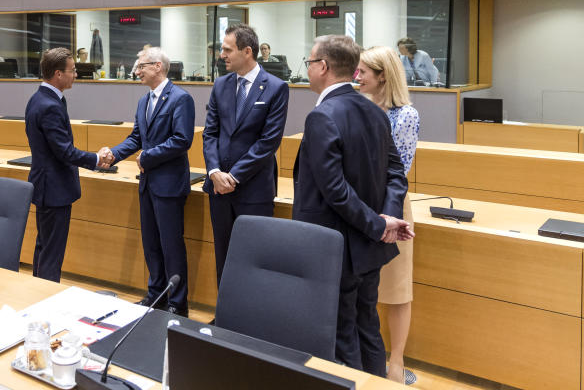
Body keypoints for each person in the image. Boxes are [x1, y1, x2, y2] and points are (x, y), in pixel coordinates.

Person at [293, 34, 412, 376]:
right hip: (369, 245)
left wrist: (380, 223)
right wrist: (386, 218)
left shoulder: (323, 116)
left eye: (310, 63)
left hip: (335, 246)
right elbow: (396, 174)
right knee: (367, 328)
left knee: (343, 336)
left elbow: (334, 190)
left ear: (324, 67)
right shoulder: (374, 111)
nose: (309, 69)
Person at [100, 46, 195, 316]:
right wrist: (114, 154)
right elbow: (136, 138)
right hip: (148, 183)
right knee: (151, 244)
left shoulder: (180, 99)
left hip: (169, 184)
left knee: (171, 245)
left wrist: (148, 156)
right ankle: (156, 296)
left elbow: (182, 140)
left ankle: (177, 303)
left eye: (141, 66)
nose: (136, 71)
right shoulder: (144, 101)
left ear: (158, 67)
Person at [202, 23, 289, 284]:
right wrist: (215, 172)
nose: (222, 55)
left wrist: (234, 177)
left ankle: (251, 322)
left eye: (227, 50)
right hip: (218, 188)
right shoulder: (220, 85)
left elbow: (268, 142)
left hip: (253, 189)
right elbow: (210, 133)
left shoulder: (275, 87)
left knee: (254, 260)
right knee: (224, 255)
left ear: (247, 51)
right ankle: (224, 318)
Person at [357, 46, 420, 385]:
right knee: (363, 288)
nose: (358, 76)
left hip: (392, 208)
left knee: (396, 289)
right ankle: (369, 356)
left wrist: (383, 216)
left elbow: (398, 171)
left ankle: (396, 360)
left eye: (364, 71)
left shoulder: (405, 115)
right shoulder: (359, 107)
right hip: (361, 208)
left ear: (382, 75)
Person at [25, 47, 107, 282]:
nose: (76, 75)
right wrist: (96, 159)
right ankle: (47, 304)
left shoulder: (39, 98)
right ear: (58, 74)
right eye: (72, 71)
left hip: (45, 186)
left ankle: (38, 294)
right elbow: (64, 151)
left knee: (44, 247)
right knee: (52, 253)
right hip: (54, 189)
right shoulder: (49, 105)